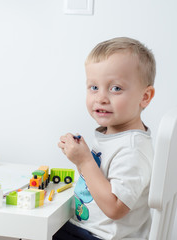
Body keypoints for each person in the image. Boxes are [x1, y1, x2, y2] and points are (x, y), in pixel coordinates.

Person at [55, 37, 156, 240]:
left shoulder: (132, 149)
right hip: (85, 228)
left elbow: (115, 208)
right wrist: (80, 158)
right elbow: (98, 181)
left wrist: (84, 161)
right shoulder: (111, 134)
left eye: (115, 88)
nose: (100, 97)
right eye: (94, 87)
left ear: (144, 97)